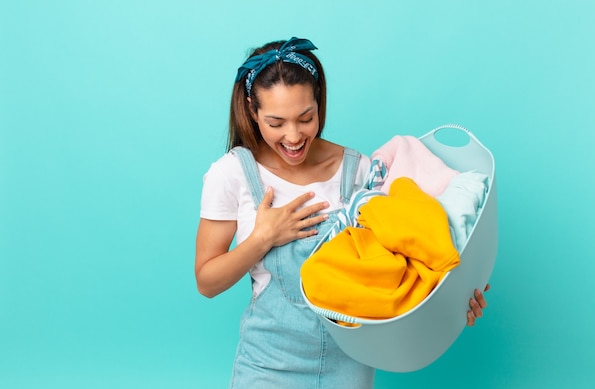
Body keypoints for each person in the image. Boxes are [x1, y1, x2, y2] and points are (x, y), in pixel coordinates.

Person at [194, 37, 489, 388]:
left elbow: (411, 262)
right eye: (276, 123)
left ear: (319, 101)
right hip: (267, 366)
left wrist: (455, 302)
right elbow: (206, 282)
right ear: (252, 111)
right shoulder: (232, 174)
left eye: (306, 118)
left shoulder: (363, 171)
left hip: (351, 369)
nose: (293, 136)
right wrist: (263, 238)